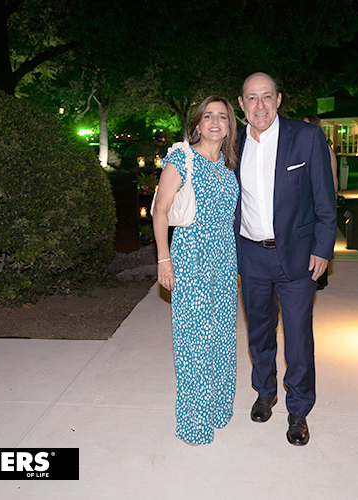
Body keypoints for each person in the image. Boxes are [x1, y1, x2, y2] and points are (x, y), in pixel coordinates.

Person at [235, 73, 336, 446]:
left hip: (297, 255)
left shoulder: (306, 137)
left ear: (278, 99)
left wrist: (323, 248)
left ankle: (298, 410)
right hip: (251, 254)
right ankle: (265, 392)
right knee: (258, 332)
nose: (260, 105)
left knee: (297, 337)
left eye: (267, 96)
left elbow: (325, 199)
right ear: (241, 104)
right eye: (252, 98)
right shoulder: (233, 144)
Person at [153, 95, 239, 446]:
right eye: (208, 116)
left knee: (222, 338)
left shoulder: (228, 167)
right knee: (195, 342)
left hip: (225, 261)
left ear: (230, 127)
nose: (215, 122)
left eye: (222, 116)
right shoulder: (181, 159)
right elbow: (160, 211)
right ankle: (194, 423)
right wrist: (164, 259)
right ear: (198, 124)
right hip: (191, 259)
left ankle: (217, 410)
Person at [303, 114, 338, 290]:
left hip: (318, 204)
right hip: (306, 204)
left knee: (319, 240)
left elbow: (332, 179)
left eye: (308, 126)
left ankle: (319, 277)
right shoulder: (303, 148)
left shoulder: (325, 149)